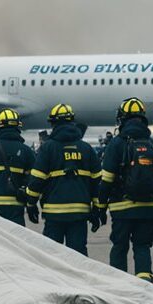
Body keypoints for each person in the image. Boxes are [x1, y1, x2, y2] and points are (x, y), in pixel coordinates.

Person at [97, 98, 153, 282]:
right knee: (142, 247)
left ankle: (120, 288)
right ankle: (145, 284)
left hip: (121, 210)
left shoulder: (116, 144)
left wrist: (100, 206)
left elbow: (107, 179)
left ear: (122, 119)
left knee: (120, 247)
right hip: (147, 209)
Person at [25, 104, 101, 255]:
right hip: (79, 214)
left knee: (53, 258)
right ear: (72, 122)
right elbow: (97, 183)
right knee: (78, 257)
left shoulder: (48, 148)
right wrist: (97, 209)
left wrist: (31, 203)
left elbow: (37, 180)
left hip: (54, 214)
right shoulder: (86, 149)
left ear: (53, 124)